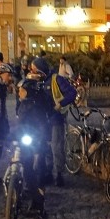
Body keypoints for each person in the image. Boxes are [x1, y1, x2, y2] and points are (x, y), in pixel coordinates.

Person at [31, 56, 76, 187]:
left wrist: (60, 104)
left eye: (35, 70)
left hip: (56, 118)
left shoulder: (57, 79)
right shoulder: (40, 81)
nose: (33, 73)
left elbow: (72, 93)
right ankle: (48, 173)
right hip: (44, 119)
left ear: (41, 70)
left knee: (56, 147)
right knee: (46, 146)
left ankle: (59, 175)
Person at [14, 77, 53, 219]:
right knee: (28, 173)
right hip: (27, 144)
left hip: (36, 145)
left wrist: (39, 144)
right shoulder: (24, 104)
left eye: (21, 90)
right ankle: (27, 198)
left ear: (28, 91)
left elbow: (42, 128)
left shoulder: (36, 107)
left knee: (37, 175)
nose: (18, 92)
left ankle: (40, 209)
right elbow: (20, 125)